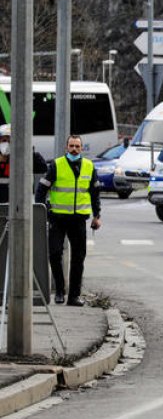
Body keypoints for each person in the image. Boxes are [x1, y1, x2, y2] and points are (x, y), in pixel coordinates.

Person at [35, 134, 101, 305]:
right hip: (57, 218)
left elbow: (95, 194)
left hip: (79, 219)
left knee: (79, 257)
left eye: (77, 146)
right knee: (55, 253)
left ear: (81, 148)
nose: (74, 149)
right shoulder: (56, 165)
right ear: (66, 148)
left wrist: (97, 216)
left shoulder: (89, 166)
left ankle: (74, 296)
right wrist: (44, 211)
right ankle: (59, 291)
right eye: (71, 146)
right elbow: (41, 190)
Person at [0, 123, 48, 203]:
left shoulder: (23, 158)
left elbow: (42, 168)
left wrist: (29, 153)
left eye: (10, 140)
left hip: (19, 204)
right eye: (4, 140)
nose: (7, 144)